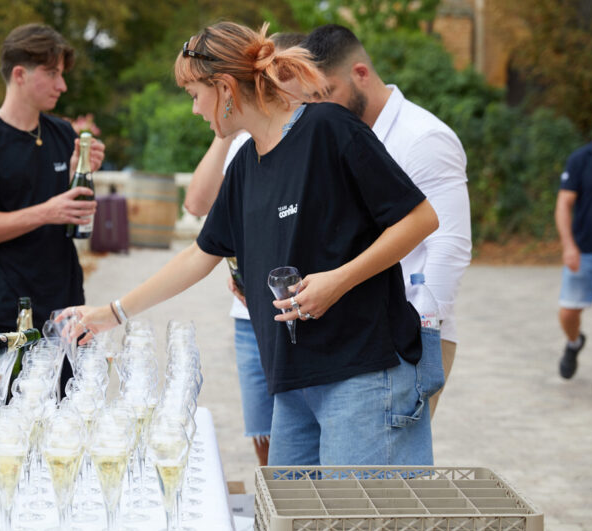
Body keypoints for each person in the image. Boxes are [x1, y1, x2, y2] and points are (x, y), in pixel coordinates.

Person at [73, 21, 439, 466]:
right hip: (292, 381)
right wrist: (111, 314)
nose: (194, 110)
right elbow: (199, 255)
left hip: (363, 372)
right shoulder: (245, 164)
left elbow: (420, 218)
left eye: (194, 95)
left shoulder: (328, 129)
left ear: (225, 88)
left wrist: (337, 282)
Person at [302, 24, 472, 417]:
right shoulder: (339, 133)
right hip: (355, 340)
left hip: (408, 340)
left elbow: (450, 247)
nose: (322, 108)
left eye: (328, 94)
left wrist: (418, 339)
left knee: (392, 476)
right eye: (313, 99)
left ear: (360, 74)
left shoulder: (424, 137)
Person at [0, 23, 104, 386]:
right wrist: (49, 210)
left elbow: (64, 207)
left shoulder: (62, 134)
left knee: (67, 416)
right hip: (10, 312)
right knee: (11, 419)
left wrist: (81, 175)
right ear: (19, 74)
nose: (61, 86)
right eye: (52, 74)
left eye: (61, 75)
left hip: (67, 304)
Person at [184, 31, 305, 466]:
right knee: (267, 437)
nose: (193, 108)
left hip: (305, 315)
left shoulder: (317, 132)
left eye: (196, 95)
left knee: (302, 447)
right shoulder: (240, 144)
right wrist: (225, 123)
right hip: (249, 313)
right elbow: (197, 209)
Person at [555, 98, 592, 400]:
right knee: (568, 312)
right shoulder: (580, 159)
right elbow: (564, 205)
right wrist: (569, 246)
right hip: (585, 249)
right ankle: (574, 342)